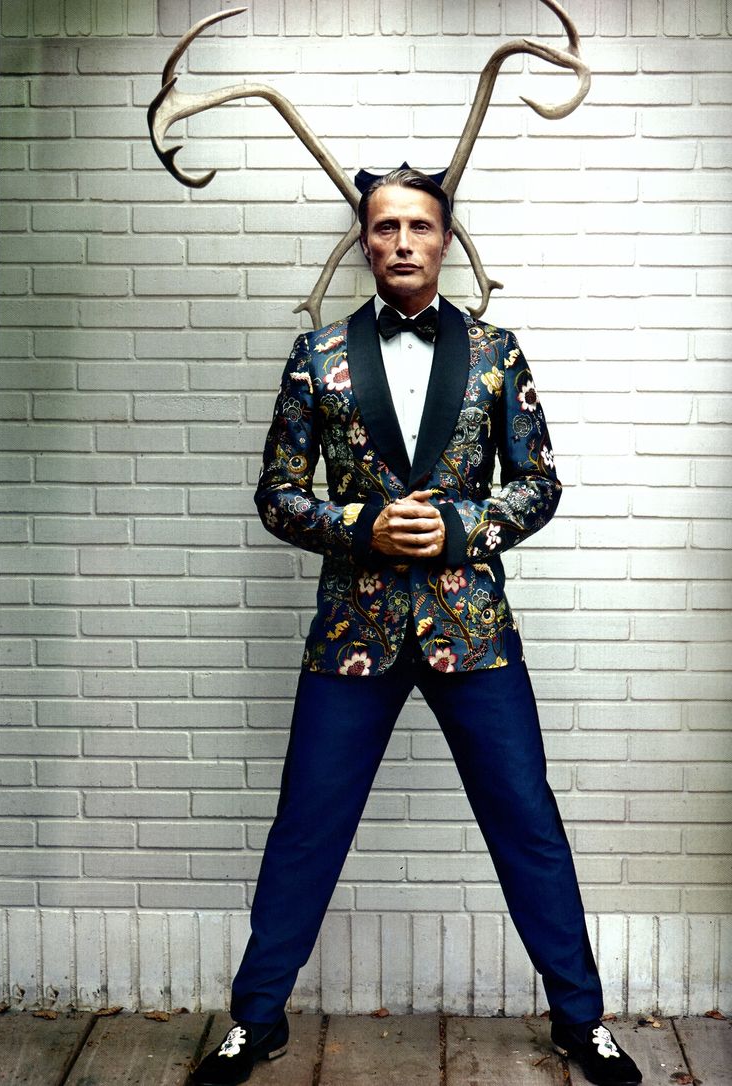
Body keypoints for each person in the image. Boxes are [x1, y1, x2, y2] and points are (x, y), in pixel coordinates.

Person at [192, 169, 642, 1086]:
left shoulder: (495, 352)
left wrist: (464, 527)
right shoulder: (317, 354)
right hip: (352, 631)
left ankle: (580, 1020)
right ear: (364, 241)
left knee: (527, 821)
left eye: (420, 227)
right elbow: (276, 494)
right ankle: (256, 1021)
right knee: (306, 825)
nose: (402, 241)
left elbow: (539, 483)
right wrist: (359, 525)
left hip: (471, 629)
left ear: (445, 240)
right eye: (386, 226)